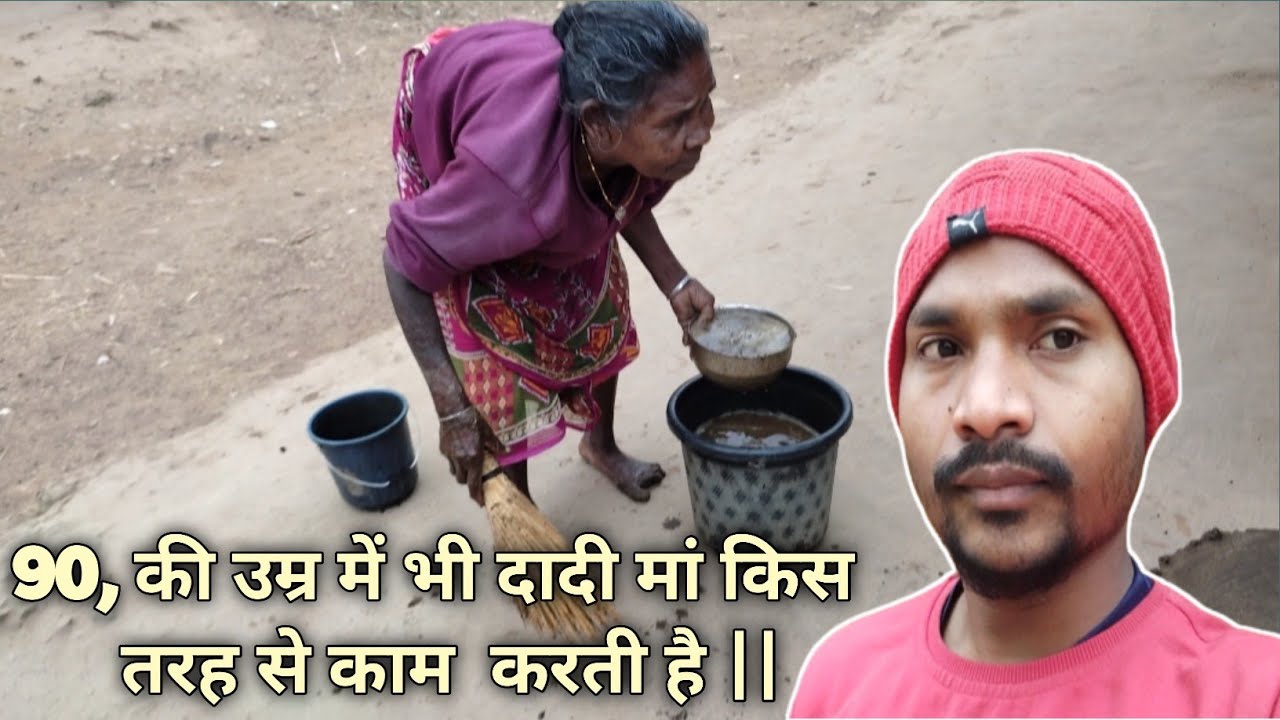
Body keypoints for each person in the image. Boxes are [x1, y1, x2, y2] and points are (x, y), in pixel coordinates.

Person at [788, 149, 1280, 718]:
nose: (985, 408)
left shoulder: (1252, 698)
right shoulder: (841, 683)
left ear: (1149, 389)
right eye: (942, 348)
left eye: (1060, 338)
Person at [381, 1, 717, 507]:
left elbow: (619, 199)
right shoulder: (505, 182)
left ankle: (599, 445)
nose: (703, 131)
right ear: (601, 124)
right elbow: (403, 263)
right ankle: (520, 514)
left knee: (597, 301)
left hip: (551, 157)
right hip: (473, 144)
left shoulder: (619, 142)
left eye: (705, 103)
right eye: (677, 121)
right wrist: (452, 410)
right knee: (497, 341)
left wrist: (675, 281)